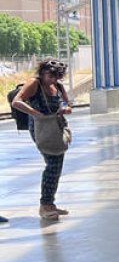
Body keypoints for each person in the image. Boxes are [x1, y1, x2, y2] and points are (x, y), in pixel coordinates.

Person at [11, 59, 72, 220]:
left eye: (57, 77)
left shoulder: (57, 86)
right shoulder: (35, 83)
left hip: (57, 127)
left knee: (57, 165)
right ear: (43, 72)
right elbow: (16, 101)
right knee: (52, 163)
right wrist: (36, 114)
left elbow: (66, 101)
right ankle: (45, 205)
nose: (54, 80)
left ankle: (49, 203)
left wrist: (65, 107)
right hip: (41, 128)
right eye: (51, 76)